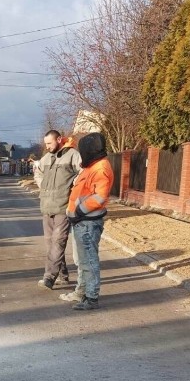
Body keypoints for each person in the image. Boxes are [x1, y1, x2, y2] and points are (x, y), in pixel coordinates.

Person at [61, 132, 113, 310]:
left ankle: (91, 297)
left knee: (89, 261)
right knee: (82, 261)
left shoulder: (101, 168)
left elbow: (99, 197)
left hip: (88, 222)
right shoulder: (92, 166)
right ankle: (81, 292)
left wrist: (79, 211)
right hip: (81, 221)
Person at [34, 130, 82, 290]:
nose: (47, 147)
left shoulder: (73, 155)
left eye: (50, 143)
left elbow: (83, 174)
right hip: (47, 207)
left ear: (59, 139)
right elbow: (38, 174)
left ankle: (49, 276)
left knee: (58, 242)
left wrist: (72, 187)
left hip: (64, 207)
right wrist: (43, 186)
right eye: (46, 144)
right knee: (50, 244)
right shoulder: (46, 158)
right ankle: (63, 275)